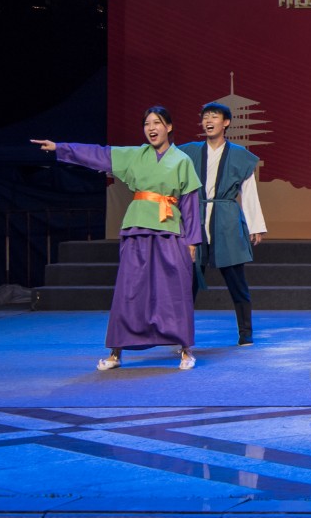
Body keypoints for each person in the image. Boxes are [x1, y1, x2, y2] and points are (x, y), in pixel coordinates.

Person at [32, 107, 202, 370]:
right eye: (147, 124)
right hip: (137, 228)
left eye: (157, 123)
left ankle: (185, 350)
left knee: (174, 290)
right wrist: (60, 148)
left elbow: (190, 203)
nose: (151, 128)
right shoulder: (134, 155)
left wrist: (192, 241)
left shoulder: (182, 160)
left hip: (169, 230)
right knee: (129, 289)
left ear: (169, 127)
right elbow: (98, 154)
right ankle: (116, 352)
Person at [178, 102, 267, 346]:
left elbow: (248, 191)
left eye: (214, 116)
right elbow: (164, 163)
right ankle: (181, 335)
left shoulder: (239, 155)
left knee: (237, 281)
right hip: (196, 220)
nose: (208, 121)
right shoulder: (189, 151)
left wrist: (255, 225)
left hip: (226, 220)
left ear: (226, 122)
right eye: (205, 117)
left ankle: (245, 332)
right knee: (188, 283)